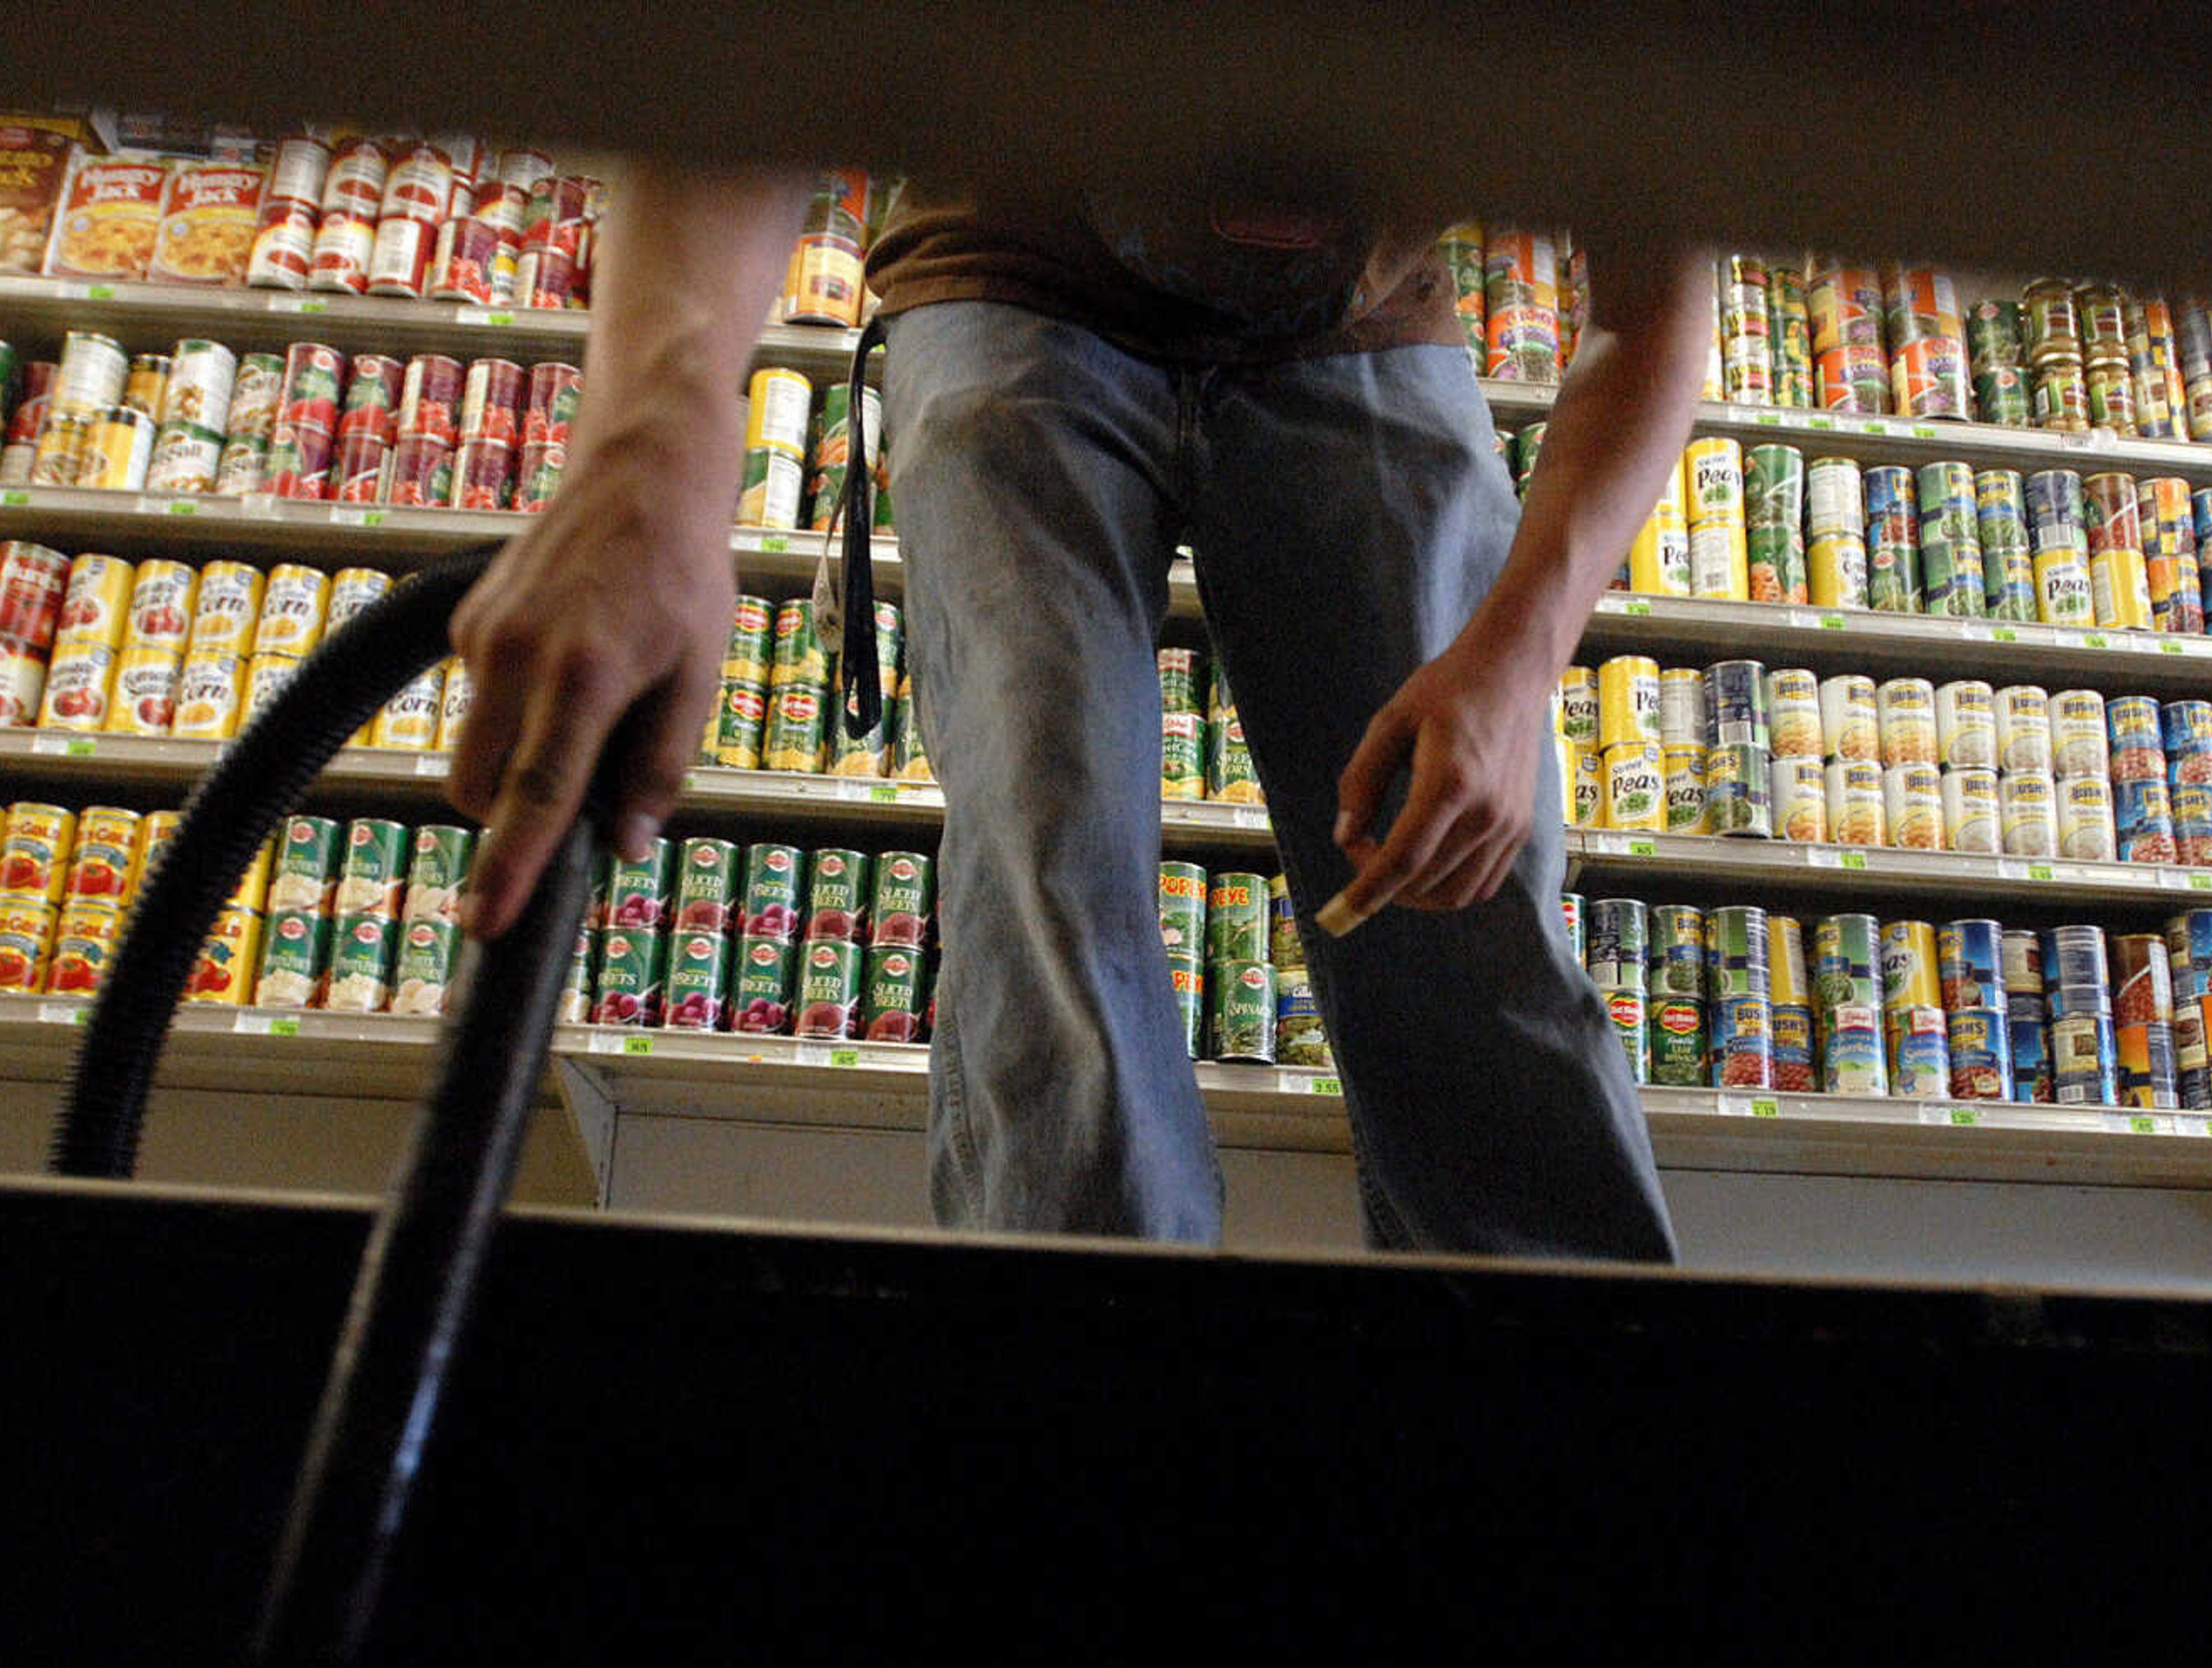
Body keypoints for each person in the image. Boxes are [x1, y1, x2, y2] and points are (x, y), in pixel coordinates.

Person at [447, 158, 1709, 1259]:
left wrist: (1521, 653)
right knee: (1051, 863)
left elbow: (1654, 312)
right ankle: (1081, 1399)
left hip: (1364, 326)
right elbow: (740, 67)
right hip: (1009, 274)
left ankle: (1573, 1427)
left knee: (1466, 890)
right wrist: (650, 433)